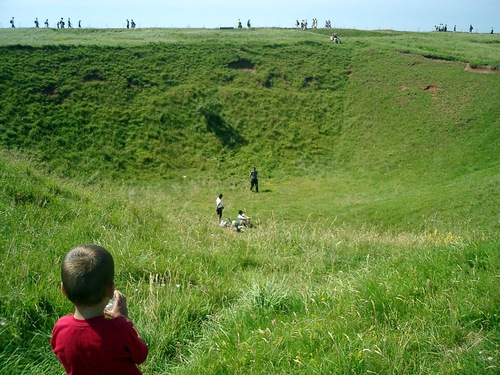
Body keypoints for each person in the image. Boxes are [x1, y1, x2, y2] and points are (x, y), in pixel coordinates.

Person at [51, 245, 148, 375]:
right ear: (111, 290)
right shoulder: (120, 329)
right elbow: (141, 355)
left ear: (63, 290)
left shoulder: (60, 328)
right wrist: (124, 319)